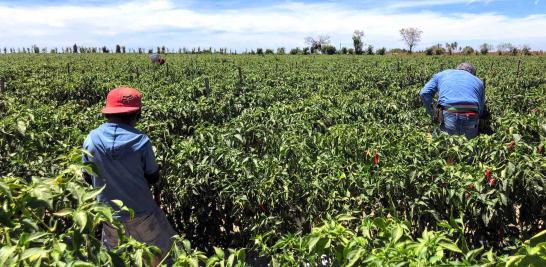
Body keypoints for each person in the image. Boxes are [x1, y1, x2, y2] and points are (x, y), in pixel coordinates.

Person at [82, 87, 175, 266]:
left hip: (109, 215)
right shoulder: (141, 140)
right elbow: (153, 177)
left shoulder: (91, 139)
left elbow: (88, 176)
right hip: (143, 213)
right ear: (136, 114)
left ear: (107, 113)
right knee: (164, 255)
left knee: (115, 258)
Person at [420, 63, 485, 139]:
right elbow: (481, 109)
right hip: (471, 114)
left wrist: (434, 113)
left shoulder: (442, 74)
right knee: (469, 146)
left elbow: (424, 93)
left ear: (457, 69)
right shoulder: (479, 81)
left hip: (448, 112)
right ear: (472, 73)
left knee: (439, 144)